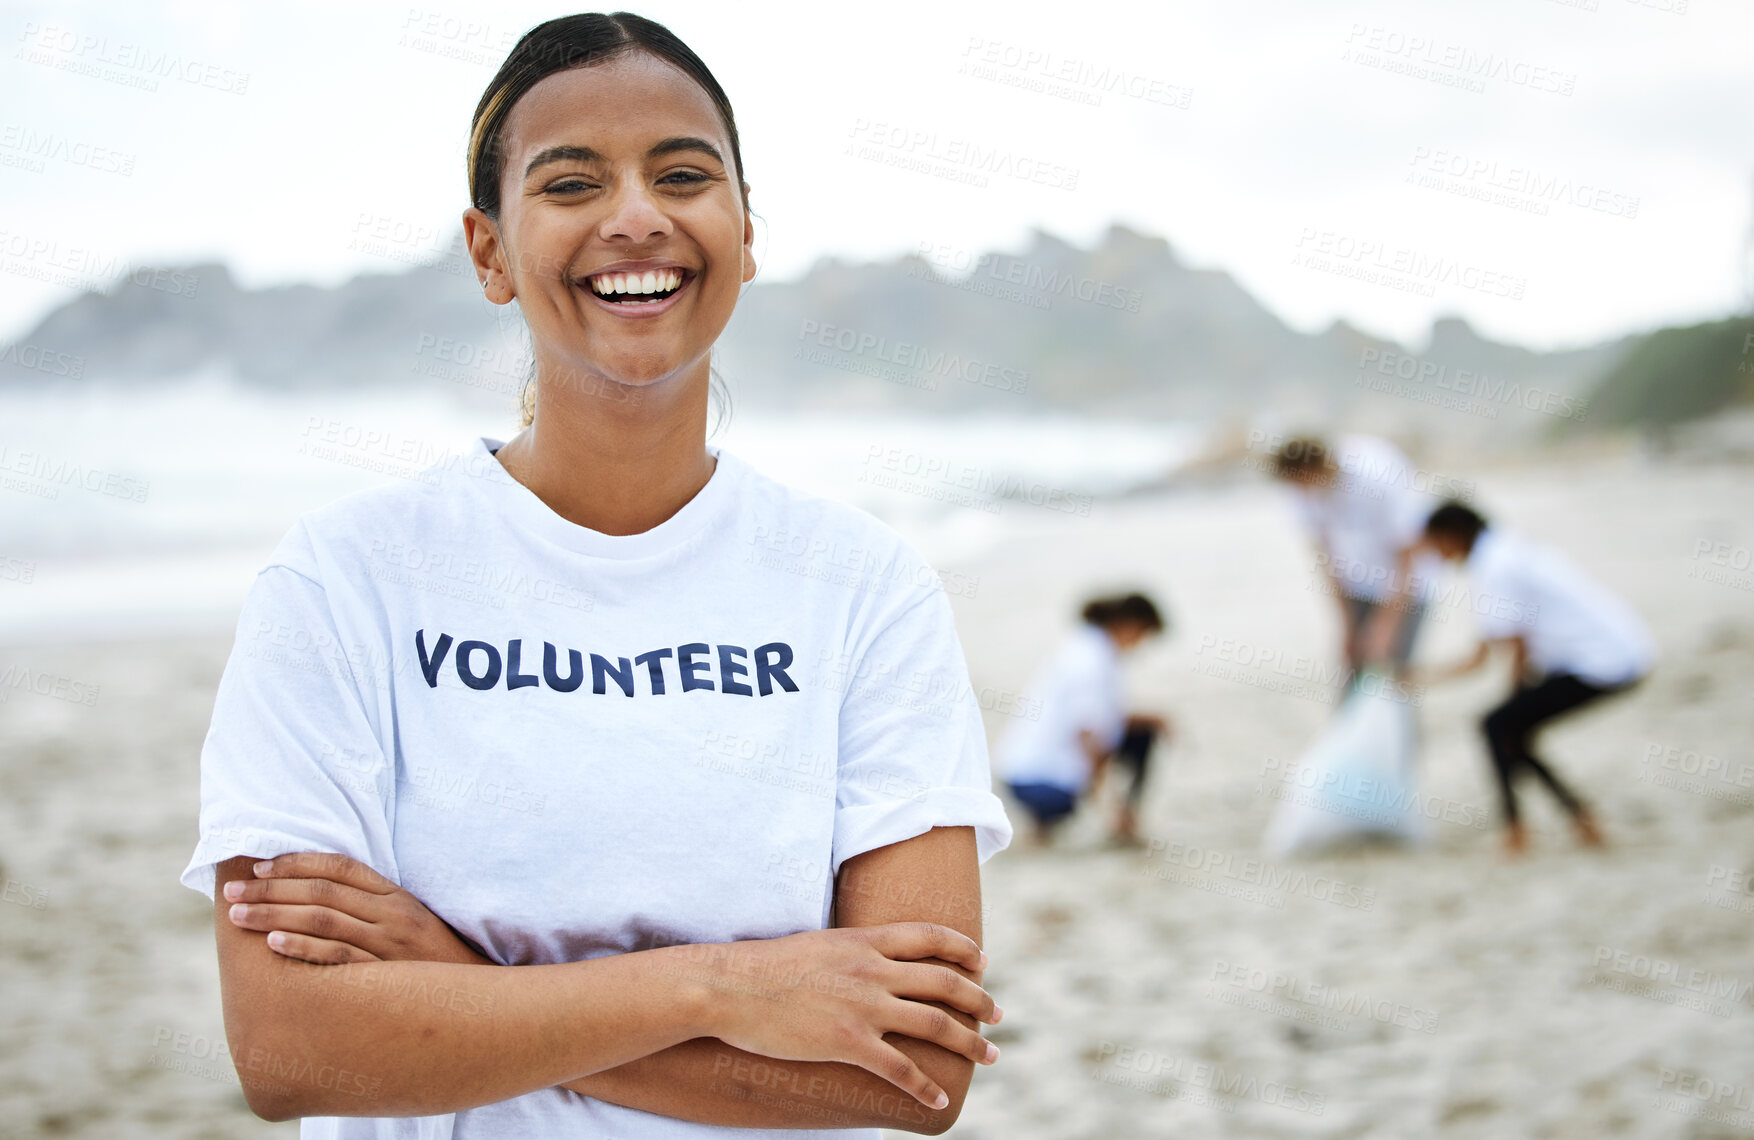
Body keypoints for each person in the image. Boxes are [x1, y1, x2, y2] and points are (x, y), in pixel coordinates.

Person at [178, 14, 1013, 1137]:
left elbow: (911, 1072)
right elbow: (292, 1048)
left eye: (682, 174)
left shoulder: (862, 588)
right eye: (571, 183)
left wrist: (456, 976)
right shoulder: (346, 582)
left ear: (746, 232)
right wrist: (726, 989)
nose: (636, 217)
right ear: (489, 251)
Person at [1415, 501, 1654, 855]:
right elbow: (1494, 650)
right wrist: (1422, 678)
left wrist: (1511, 696)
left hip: (1600, 662)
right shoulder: (1508, 547)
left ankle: (1517, 831)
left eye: (1437, 545)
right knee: (1510, 729)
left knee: (1499, 727)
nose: (1437, 555)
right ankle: (1579, 818)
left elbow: (1510, 648)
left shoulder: (1494, 566)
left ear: (1452, 536)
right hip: (1623, 649)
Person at [996, 593, 1169, 848]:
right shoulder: (1091, 660)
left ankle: (1046, 825)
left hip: (1017, 770)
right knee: (1141, 738)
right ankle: (1122, 821)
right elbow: (1088, 732)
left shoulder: (1084, 647)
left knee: (1137, 730)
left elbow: (1101, 719)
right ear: (1129, 624)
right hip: (1043, 783)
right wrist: (1103, 795)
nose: (1139, 644)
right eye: (1142, 634)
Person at [1269, 434, 1438, 688]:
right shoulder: (1302, 492)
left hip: (1409, 587)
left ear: (1313, 469)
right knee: (1352, 673)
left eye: (1301, 483)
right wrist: (1346, 626)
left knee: (1393, 673)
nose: (1300, 493)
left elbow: (1409, 557)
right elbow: (1326, 558)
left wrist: (1385, 627)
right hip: (1358, 585)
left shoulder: (1376, 477)